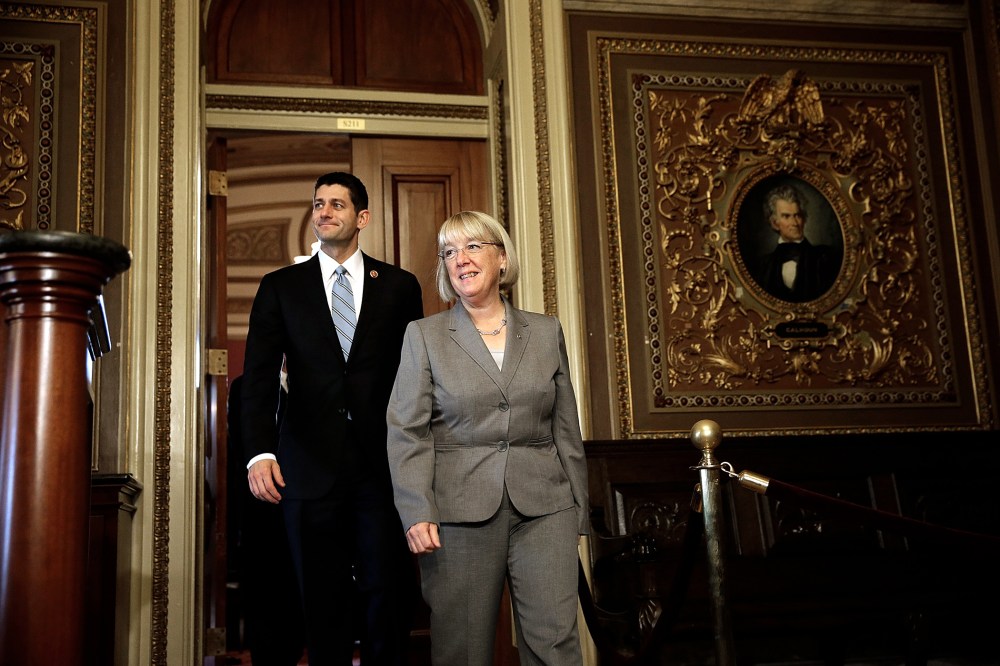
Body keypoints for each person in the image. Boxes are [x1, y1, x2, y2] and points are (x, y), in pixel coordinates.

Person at [386, 210, 590, 665]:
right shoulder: (424, 336)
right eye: (449, 252)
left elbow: (565, 428)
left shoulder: (545, 331)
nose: (461, 259)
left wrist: (578, 509)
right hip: (457, 514)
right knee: (462, 649)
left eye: (472, 246)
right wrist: (416, 510)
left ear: (501, 257)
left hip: (546, 507)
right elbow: (407, 431)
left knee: (556, 644)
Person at [241, 171, 423, 665]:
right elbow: (257, 377)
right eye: (319, 203)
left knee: (388, 594)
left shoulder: (401, 287)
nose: (324, 212)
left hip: (381, 468)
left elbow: (416, 379)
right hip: (306, 465)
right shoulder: (280, 287)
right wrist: (260, 452)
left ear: (361, 217)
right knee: (321, 603)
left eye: (337, 205)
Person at [754, 184, 840, 302]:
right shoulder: (763, 266)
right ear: (774, 223)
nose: (794, 223)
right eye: (786, 216)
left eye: (797, 215)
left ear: (803, 219)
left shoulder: (826, 258)